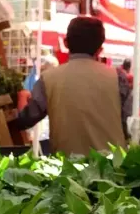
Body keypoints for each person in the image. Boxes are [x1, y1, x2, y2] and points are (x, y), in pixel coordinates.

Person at [8, 16, 132, 156]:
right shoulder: (118, 78)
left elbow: (25, 120)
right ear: (100, 49)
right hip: (112, 168)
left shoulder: (48, 79)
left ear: (66, 43)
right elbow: (129, 125)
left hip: (68, 171)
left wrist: (22, 96)